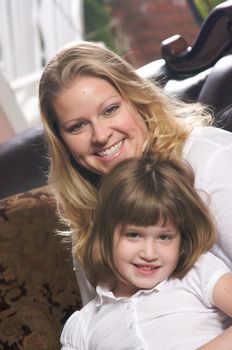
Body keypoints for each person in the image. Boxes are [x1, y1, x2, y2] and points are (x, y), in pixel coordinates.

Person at [39, 41, 232, 306]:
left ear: (136, 99)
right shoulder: (87, 221)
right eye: (77, 126)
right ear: (62, 142)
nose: (101, 135)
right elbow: (103, 329)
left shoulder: (207, 158)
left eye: (110, 110)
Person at [60, 157, 232, 350]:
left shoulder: (197, 273)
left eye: (164, 237)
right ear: (105, 236)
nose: (149, 254)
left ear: (181, 241)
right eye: (134, 235)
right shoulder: (83, 326)